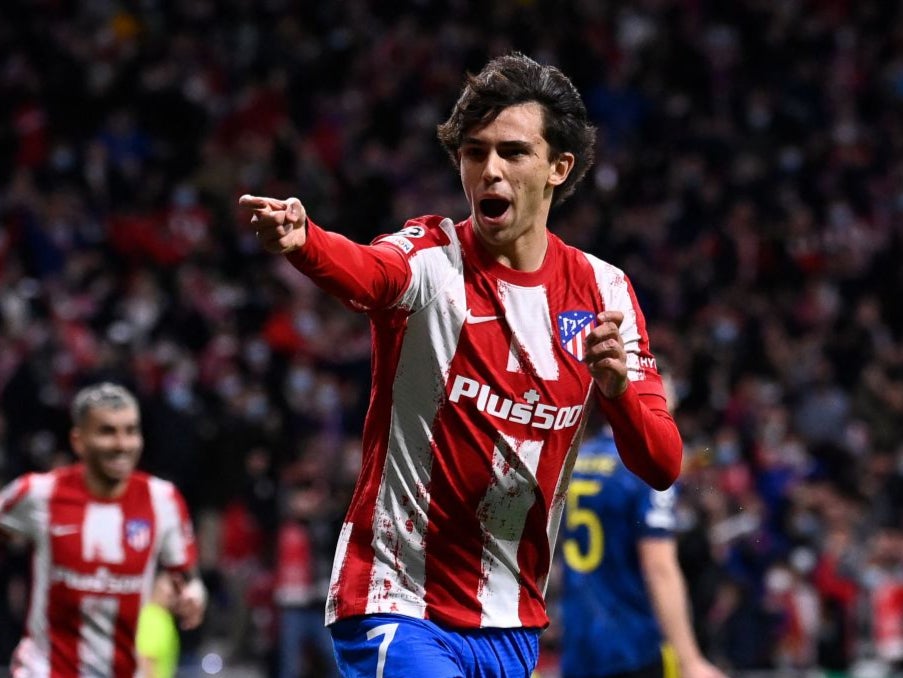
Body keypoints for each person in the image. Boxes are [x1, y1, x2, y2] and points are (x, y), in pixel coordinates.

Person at [239, 52, 682, 678]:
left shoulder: (606, 294)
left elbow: (662, 464)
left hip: (510, 621)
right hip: (396, 600)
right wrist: (306, 241)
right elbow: (370, 272)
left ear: (560, 167)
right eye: (475, 153)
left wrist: (616, 391)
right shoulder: (430, 257)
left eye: (512, 152)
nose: (489, 171)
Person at [0, 382, 207, 677]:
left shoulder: (163, 500)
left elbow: (185, 576)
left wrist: (193, 596)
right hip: (45, 669)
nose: (122, 444)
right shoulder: (37, 493)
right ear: (78, 440)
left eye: (131, 431)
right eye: (107, 432)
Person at [558, 417, 727, 678]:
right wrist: (689, 660)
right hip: (631, 645)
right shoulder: (648, 464)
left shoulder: (575, 460)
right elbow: (658, 566)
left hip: (578, 641)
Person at [136, 570, 181, 678]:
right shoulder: (153, 618)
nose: (176, 592)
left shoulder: (164, 617)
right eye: (172, 586)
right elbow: (145, 660)